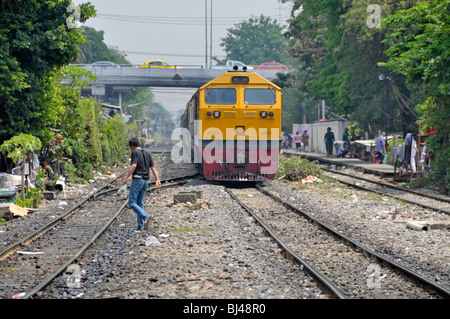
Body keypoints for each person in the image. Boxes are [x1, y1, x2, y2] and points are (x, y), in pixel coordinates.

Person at [123, 137, 161, 231]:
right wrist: (157, 179)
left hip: (138, 180)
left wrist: (126, 177)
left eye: (130, 147)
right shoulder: (147, 153)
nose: (130, 148)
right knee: (139, 203)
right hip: (145, 182)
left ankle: (145, 216)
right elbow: (153, 167)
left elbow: (134, 166)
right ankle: (140, 226)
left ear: (132, 145)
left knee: (132, 202)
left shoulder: (134, 153)